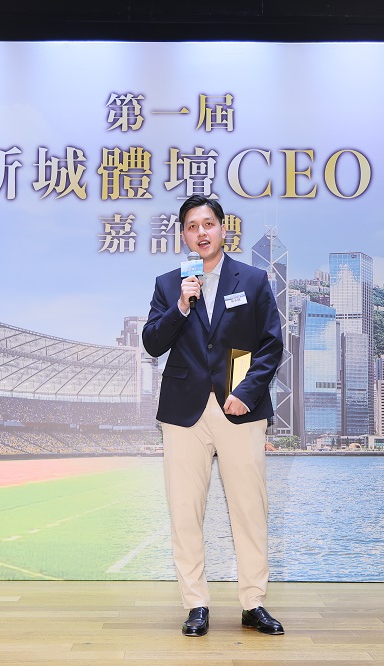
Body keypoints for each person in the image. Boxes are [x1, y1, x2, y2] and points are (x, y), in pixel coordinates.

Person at [142, 195, 284, 637]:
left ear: (223, 229)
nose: (201, 233)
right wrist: (181, 306)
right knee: (185, 510)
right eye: (191, 226)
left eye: (208, 224)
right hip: (184, 411)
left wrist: (246, 392)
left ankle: (253, 603)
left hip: (238, 409)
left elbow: (271, 345)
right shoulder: (169, 284)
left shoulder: (254, 280)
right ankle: (196, 604)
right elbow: (152, 343)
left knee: (249, 508)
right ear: (183, 236)